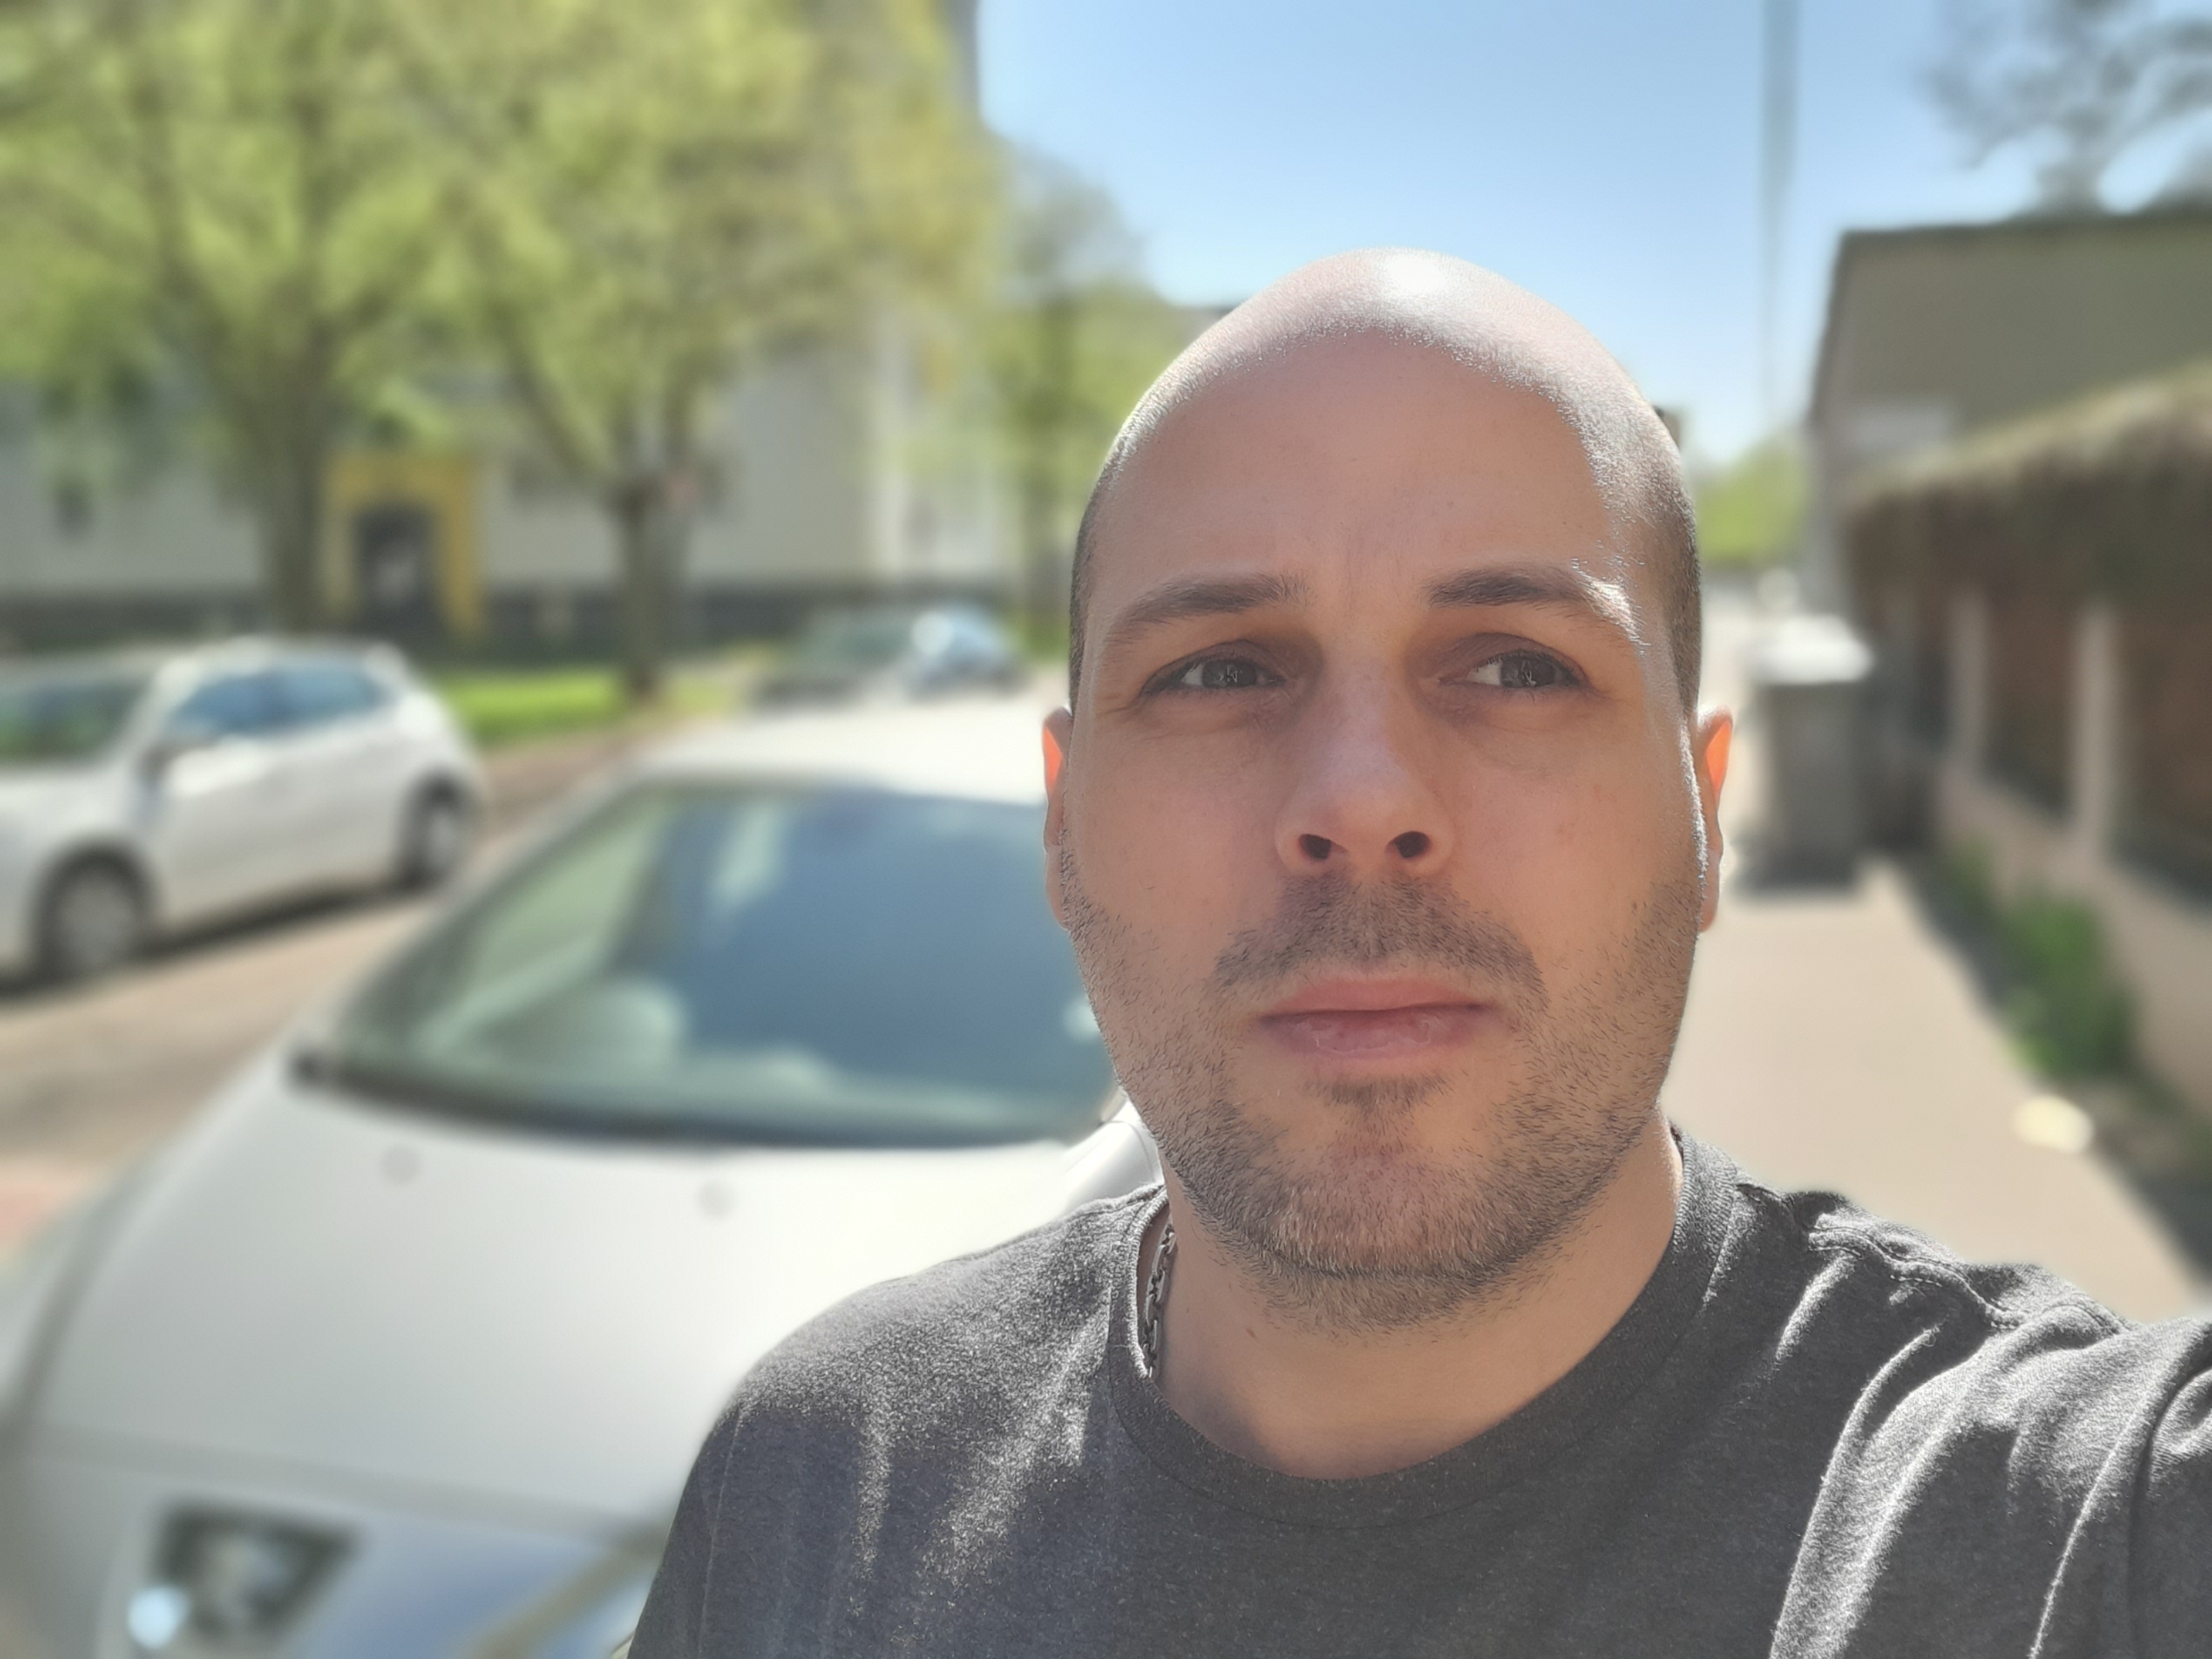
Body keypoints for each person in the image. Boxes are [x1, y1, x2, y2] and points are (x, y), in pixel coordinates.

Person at [628, 250, 2212, 1657]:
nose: (1362, 801)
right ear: (1062, 823)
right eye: (1220, 670)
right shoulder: (815, 1488)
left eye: (1519, 665)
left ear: (1705, 812)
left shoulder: (2080, 1537)